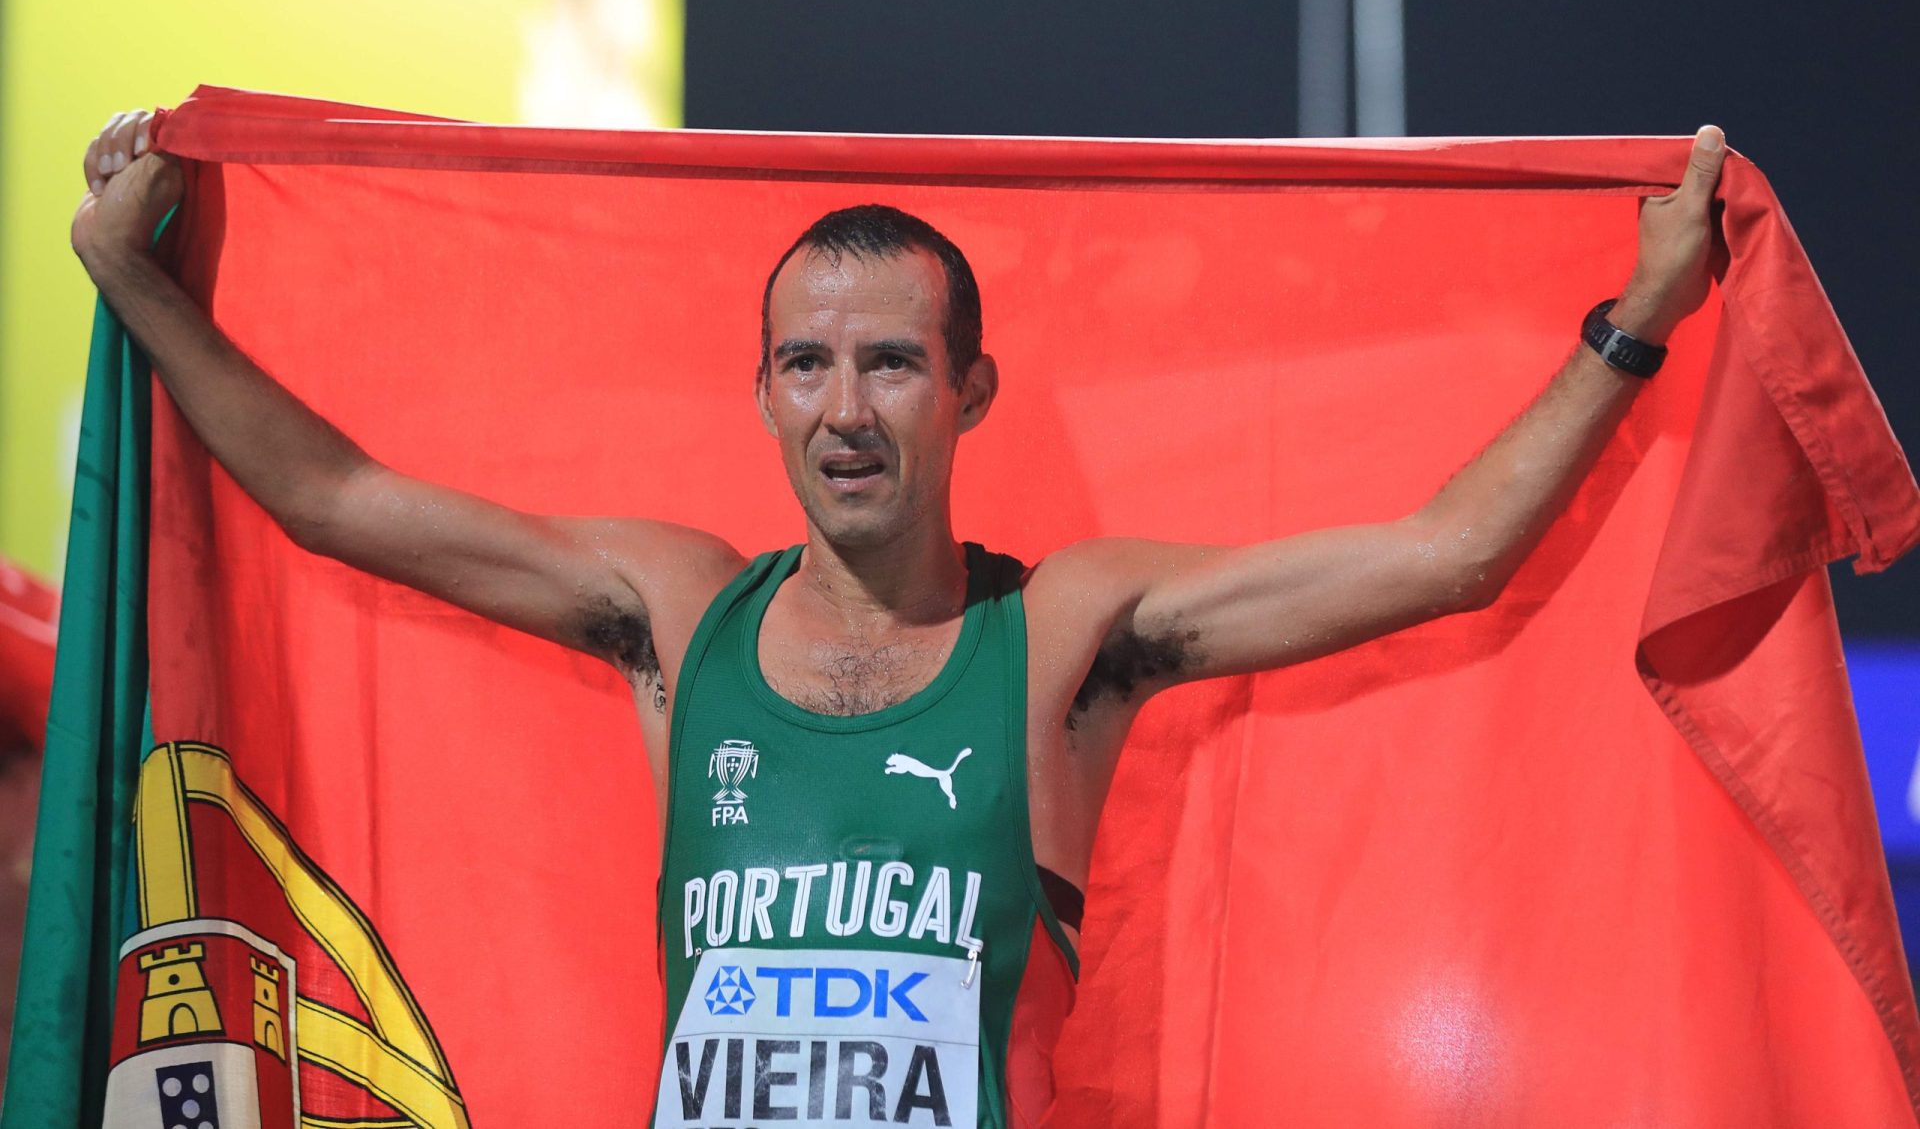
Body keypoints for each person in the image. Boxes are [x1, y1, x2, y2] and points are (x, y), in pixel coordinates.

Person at [71, 111, 1725, 1128]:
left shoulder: (1066, 634)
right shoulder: (674, 612)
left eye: (889, 362)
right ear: (764, 393)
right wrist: (138, 283)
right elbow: (338, 501)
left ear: (968, 390)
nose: (844, 406)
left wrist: (1633, 325)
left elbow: (1448, 555)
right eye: (807, 362)